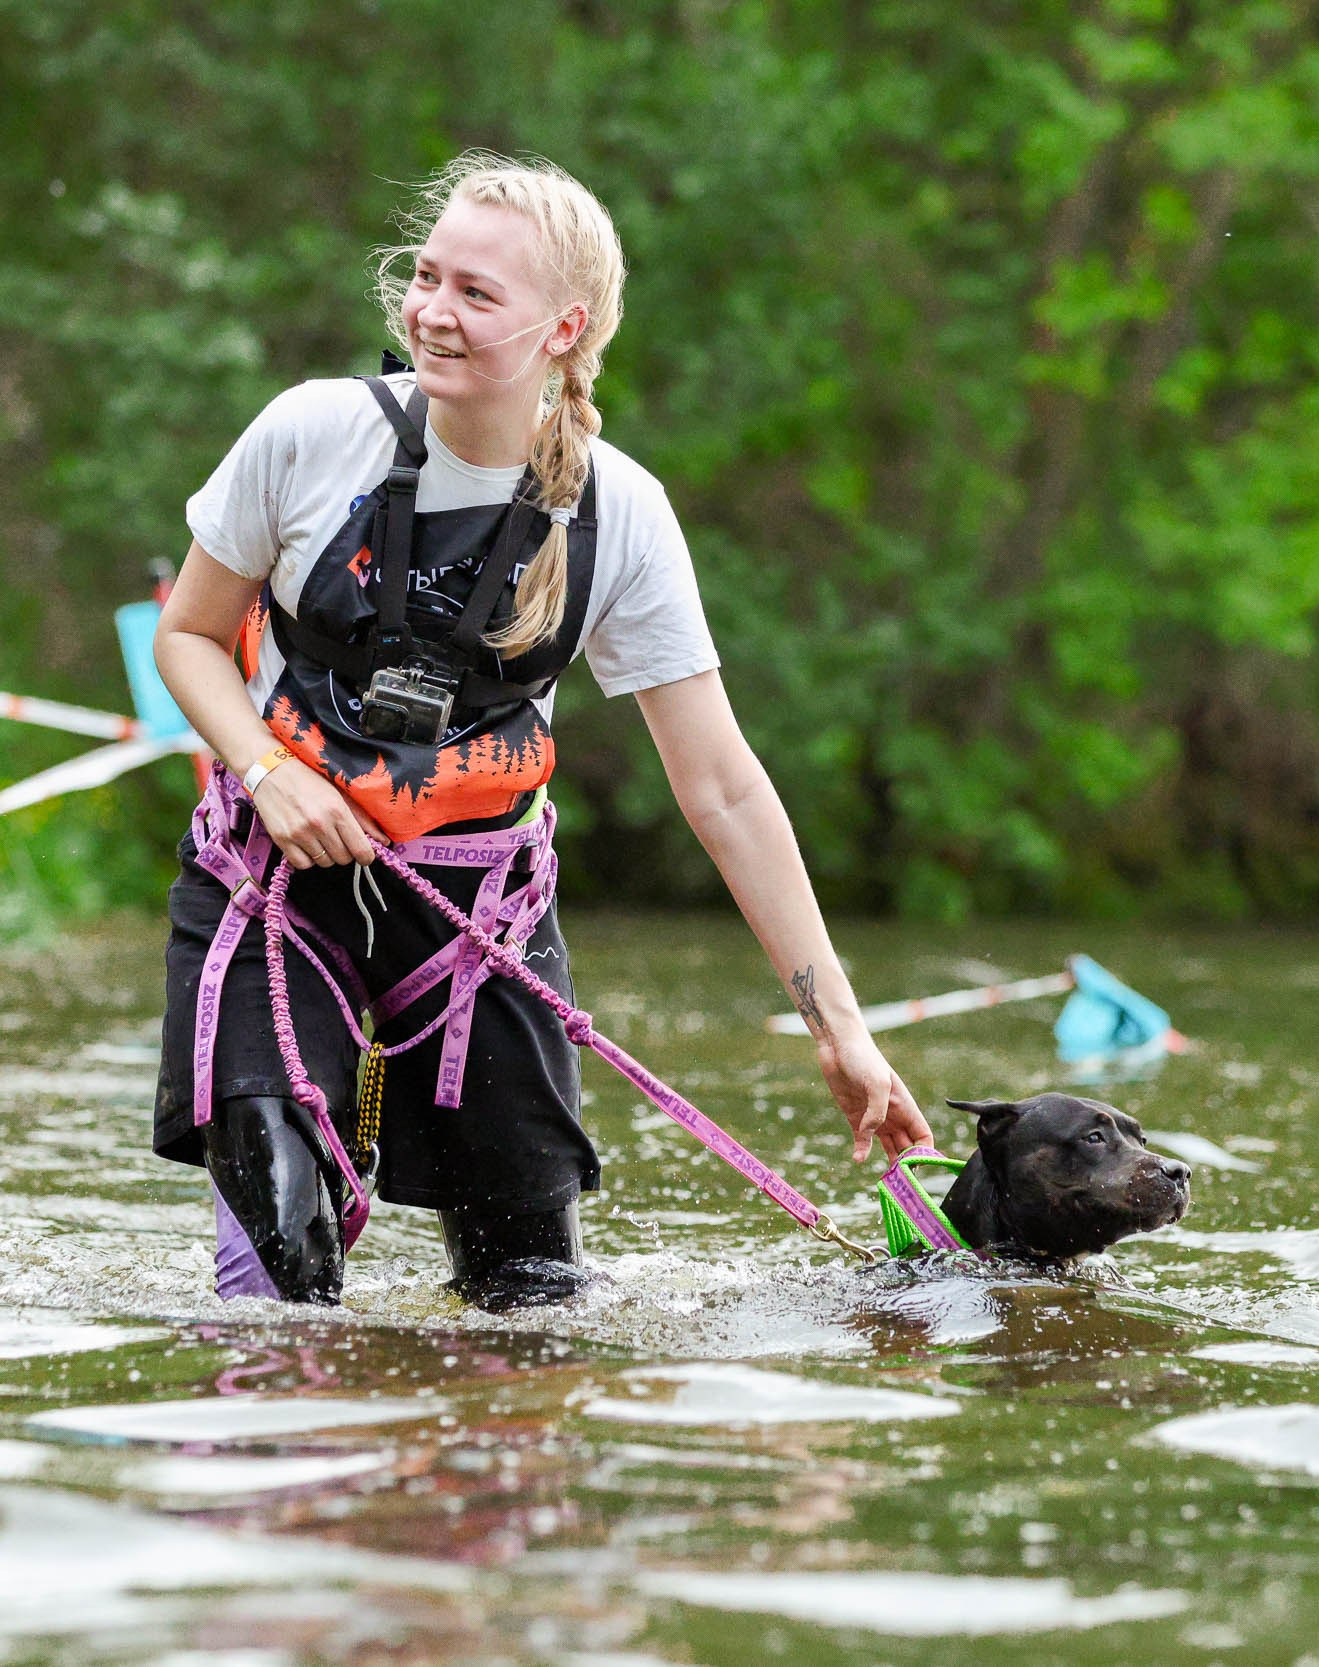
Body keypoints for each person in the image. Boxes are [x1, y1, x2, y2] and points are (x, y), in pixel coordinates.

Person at [151, 152, 929, 1311]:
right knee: (282, 1268)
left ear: (563, 327)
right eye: (426, 276)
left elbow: (721, 787)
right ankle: (284, 1413)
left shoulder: (623, 514)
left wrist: (841, 1029)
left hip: (480, 918)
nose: (432, 311)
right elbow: (188, 636)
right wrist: (265, 770)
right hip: (273, 885)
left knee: (531, 1302)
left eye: (476, 293)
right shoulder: (311, 431)